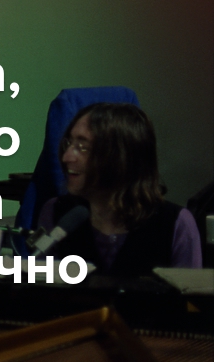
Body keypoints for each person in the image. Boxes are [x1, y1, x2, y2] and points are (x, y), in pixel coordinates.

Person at [38, 103, 201, 275]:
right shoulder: (57, 213)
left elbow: (189, 291)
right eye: (69, 144)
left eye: (83, 147)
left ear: (121, 157)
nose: (67, 157)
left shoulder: (175, 224)